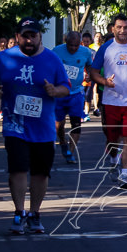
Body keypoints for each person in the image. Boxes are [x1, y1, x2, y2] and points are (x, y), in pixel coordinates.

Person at [0, 18, 71, 234]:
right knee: (18, 168)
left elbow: (66, 87)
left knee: (41, 173)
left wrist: (54, 91)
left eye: (33, 35)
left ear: (40, 37)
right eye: (25, 36)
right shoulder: (5, 57)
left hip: (43, 127)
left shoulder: (52, 59)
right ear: (17, 37)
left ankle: (35, 213)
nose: (29, 40)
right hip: (15, 125)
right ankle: (19, 211)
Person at [90, 14, 127, 190]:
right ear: (113, 29)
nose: (122, 30)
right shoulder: (106, 48)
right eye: (119, 27)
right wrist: (105, 82)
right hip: (111, 101)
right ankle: (112, 160)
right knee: (112, 139)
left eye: (126, 27)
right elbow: (94, 71)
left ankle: (125, 175)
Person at [51, 31, 94, 164]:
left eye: (76, 45)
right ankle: (63, 141)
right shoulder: (57, 51)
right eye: (70, 45)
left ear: (80, 43)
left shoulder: (85, 52)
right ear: (66, 42)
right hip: (60, 93)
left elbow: (90, 66)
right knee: (59, 125)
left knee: (76, 125)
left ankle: (70, 152)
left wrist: (89, 75)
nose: (73, 48)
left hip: (76, 93)